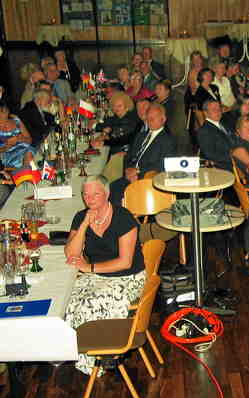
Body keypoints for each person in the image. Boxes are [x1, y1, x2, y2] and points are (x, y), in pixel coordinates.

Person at [64, 175, 146, 376]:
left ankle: (99, 359)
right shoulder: (80, 217)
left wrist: (90, 267)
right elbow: (71, 254)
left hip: (128, 277)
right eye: (86, 194)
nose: (90, 199)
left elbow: (125, 262)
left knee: (90, 304)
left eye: (96, 194)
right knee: (67, 300)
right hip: (97, 275)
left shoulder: (123, 218)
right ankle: (78, 353)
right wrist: (85, 224)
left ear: (107, 194)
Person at [109, 103, 176, 205]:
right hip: (131, 176)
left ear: (163, 119)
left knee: (118, 195)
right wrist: (128, 170)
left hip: (147, 179)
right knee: (110, 189)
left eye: (154, 117)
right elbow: (129, 156)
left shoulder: (168, 140)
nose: (150, 120)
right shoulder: (141, 136)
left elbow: (162, 165)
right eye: (148, 117)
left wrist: (138, 172)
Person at [92, 92, 141, 157]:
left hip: (121, 152)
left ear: (127, 106)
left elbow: (115, 137)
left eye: (119, 106)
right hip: (112, 147)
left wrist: (104, 135)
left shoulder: (129, 120)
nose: (116, 109)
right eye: (114, 106)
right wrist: (96, 126)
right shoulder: (118, 116)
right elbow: (106, 125)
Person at [196, 100, 234, 170]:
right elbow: (210, 155)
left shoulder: (225, 124)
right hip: (222, 167)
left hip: (234, 161)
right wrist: (234, 156)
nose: (218, 111)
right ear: (206, 113)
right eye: (214, 109)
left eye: (219, 109)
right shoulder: (204, 131)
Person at [0, 100, 36, 168]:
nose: (4, 114)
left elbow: (30, 140)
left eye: (5, 110)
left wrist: (20, 139)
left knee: (30, 153)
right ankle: (28, 172)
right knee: (29, 157)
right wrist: (7, 146)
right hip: (10, 155)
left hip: (25, 149)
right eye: (2, 111)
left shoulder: (16, 120)